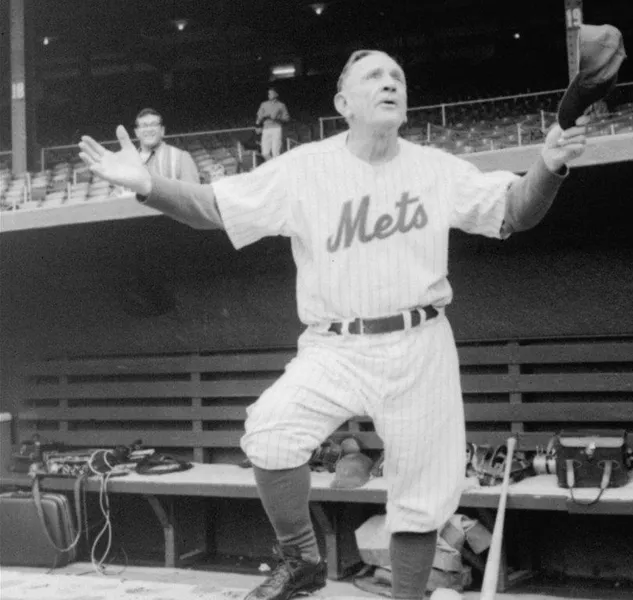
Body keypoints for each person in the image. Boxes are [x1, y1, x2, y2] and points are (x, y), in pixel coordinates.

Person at [78, 49, 587, 600]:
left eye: (398, 76)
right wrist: (147, 184)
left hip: (419, 342)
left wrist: (550, 164)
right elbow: (213, 208)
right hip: (334, 344)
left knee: (420, 496)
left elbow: (515, 210)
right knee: (270, 433)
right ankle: (301, 560)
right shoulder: (305, 167)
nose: (390, 83)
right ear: (343, 103)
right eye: (374, 76)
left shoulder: (435, 168)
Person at [133, 108, 200, 183]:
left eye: (154, 124)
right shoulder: (128, 161)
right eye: (144, 126)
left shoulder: (181, 158)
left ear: (162, 130)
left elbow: (193, 193)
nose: (149, 129)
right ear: (137, 132)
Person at [256, 88, 290, 160]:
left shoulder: (281, 105)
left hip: (276, 128)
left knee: (275, 152)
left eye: (271, 93)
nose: (269, 95)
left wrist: (277, 118)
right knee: (265, 153)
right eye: (268, 93)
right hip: (266, 129)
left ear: (276, 94)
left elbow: (286, 118)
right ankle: (273, 165)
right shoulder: (264, 104)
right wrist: (257, 126)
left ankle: (276, 168)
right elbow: (259, 116)